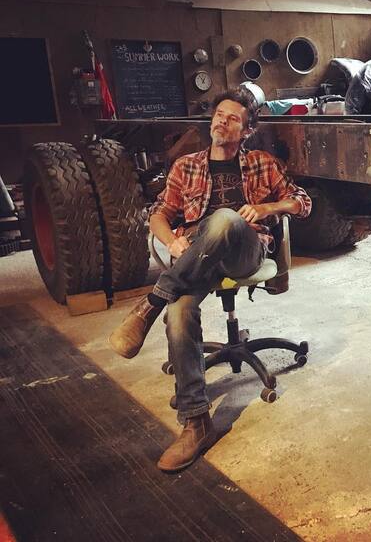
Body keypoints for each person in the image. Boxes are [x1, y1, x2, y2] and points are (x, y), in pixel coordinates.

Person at [109, 89, 311, 472]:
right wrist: (173, 239)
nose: (223, 121)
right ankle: (196, 421)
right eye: (219, 114)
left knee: (223, 220)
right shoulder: (186, 166)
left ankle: (150, 301)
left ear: (246, 130)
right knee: (179, 311)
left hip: (244, 252)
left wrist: (270, 206)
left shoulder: (263, 163)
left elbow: (302, 202)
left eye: (234, 118)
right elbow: (159, 215)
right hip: (198, 257)